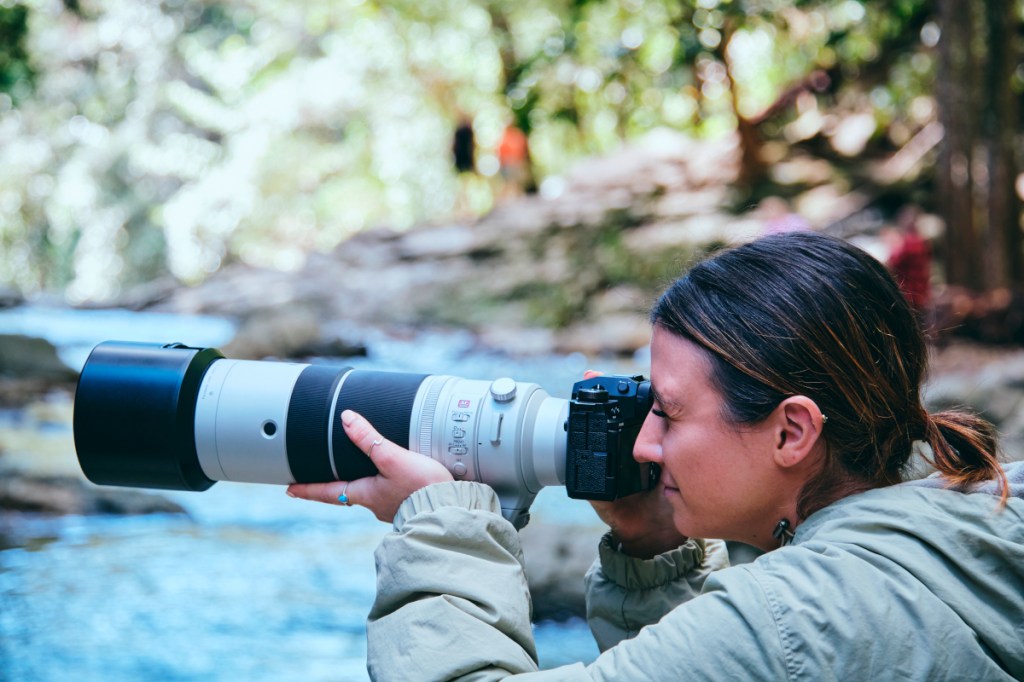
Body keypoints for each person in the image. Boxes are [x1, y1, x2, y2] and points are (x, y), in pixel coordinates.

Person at [288, 231, 1024, 680]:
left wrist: (438, 524)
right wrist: (651, 549)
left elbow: (774, 646)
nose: (642, 442)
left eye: (667, 415)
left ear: (793, 433)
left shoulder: (796, 614)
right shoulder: (983, 508)